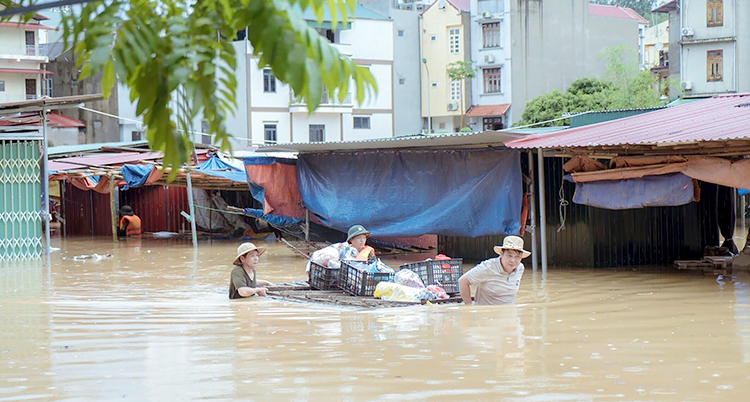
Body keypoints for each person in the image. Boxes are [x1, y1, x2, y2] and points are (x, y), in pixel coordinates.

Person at [458, 235, 530, 305]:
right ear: (501, 254)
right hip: (487, 314)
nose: (513, 261)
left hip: (510, 313)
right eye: (509, 256)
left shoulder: (520, 268)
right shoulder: (487, 267)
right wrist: (468, 306)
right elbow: (463, 281)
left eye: (517, 257)